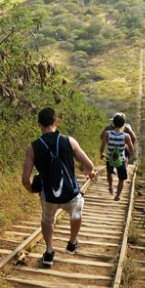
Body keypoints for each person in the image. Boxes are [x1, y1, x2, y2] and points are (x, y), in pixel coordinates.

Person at [22, 106, 97, 268]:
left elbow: (25, 179)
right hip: (71, 194)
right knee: (76, 212)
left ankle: (49, 251)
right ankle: (72, 242)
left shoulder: (32, 148)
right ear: (57, 122)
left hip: (49, 196)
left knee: (47, 220)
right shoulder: (69, 141)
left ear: (39, 124)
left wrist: (32, 189)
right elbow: (89, 164)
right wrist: (89, 172)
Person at [100, 113, 137, 200]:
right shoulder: (126, 136)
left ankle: (110, 186)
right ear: (123, 124)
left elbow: (102, 146)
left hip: (109, 158)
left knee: (109, 173)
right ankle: (117, 196)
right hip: (121, 160)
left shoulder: (107, 134)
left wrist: (101, 154)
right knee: (121, 179)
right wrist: (131, 154)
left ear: (113, 123)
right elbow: (131, 149)